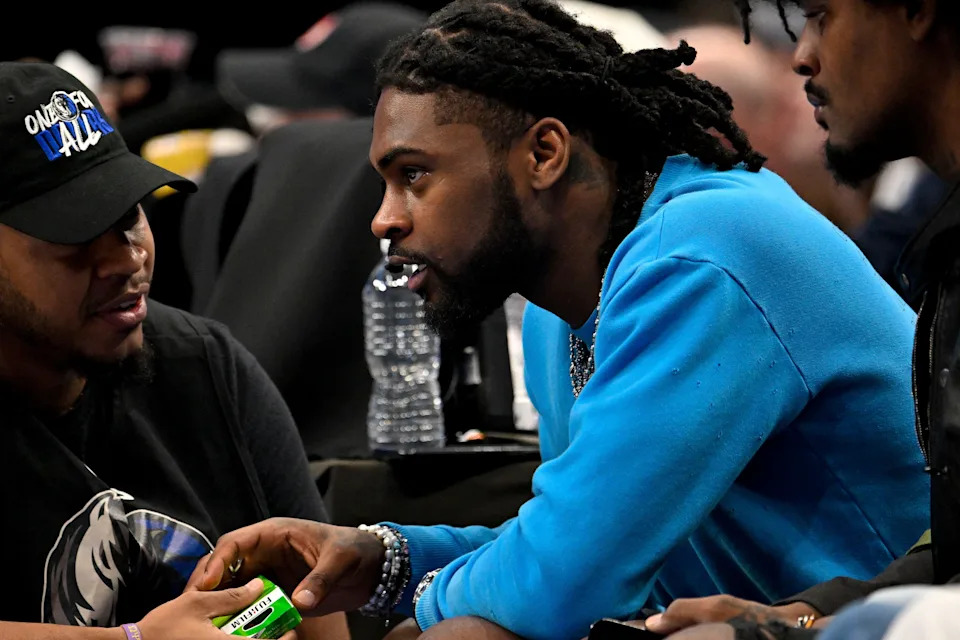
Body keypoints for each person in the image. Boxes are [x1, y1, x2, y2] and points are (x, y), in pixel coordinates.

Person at [188, 1, 928, 638]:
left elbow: (562, 583)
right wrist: (388, 558)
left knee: (466, 634)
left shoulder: (700, 256)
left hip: (886, 620)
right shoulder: (563, 302)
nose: (385, 219)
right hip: (737, 622)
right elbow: (572, 543)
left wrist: (422, 603)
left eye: (414, 175)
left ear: (544, 153)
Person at [628, 0, 960, 637]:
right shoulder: (948, 237)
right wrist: (800, 615)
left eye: (821, 15)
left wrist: (811, 632)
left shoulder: (721, 240)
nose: (802, 56)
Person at [0, 62, 348, 639]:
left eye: (129, 216)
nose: (128, 259)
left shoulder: (205, 364)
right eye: (76, 235)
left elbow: (320, 615)